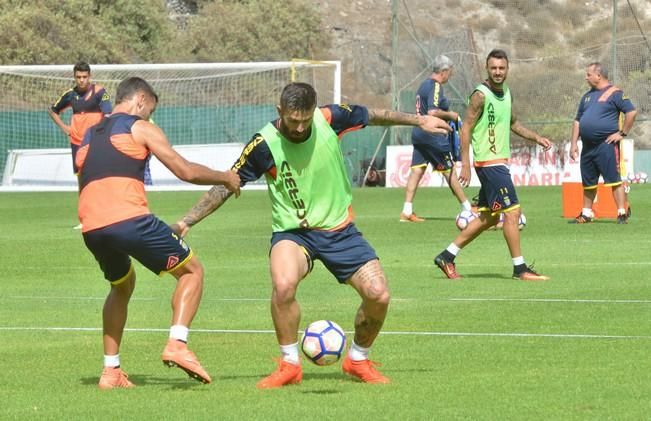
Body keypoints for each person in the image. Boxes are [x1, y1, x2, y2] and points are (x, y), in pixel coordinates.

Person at [172, 82, 450, 388]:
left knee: (378, 294)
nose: (301, 127)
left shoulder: (329, 118)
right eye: (294, 121)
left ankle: (358, 359)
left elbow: (374, 115)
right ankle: (289, 364)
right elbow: (227, 184)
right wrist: (187, 222)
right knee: (283, 285)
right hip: (294, 233)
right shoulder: (263, 144)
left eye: (306, 119)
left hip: (340, 231)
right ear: (280, 112)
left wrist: (419, 119)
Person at [76, 77, 241, 389]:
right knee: (192, 271)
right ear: (140, 99)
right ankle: (178, 344)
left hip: (91, 227)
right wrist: (225, 178)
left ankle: (110, 371)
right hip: (129, 219)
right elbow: (185, 170)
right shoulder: (140, 127)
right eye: (149, 109)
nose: (149, 116)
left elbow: (85, 177)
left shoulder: (88, 135)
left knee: (121, 285)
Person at [433, 49, 552, 281]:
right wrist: (464, 163)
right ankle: (520, 269)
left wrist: (536, 137)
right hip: (489, 163)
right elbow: (465, 127)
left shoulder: (506, 92)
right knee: (512, 212)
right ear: (487, 69)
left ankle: (447, 256)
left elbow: (513, 123)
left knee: (489, 217)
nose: (498, 72)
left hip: (498, 163)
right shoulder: (480, 95)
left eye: (502, 68)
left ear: (507, 69)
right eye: (493, 68)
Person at [400, 55, 472, 223]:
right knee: (449, 170)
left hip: (418, 132)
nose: (450, 76)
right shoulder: (435, 86)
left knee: (417, 170)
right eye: (450, 72)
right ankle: (467, 208)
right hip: (432, 134)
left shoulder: (423, 85)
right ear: (444, 71)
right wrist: (451, 115)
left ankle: (406, 210)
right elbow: (433, 112)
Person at [569, 62, 637, 224]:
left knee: (614, 179)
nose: (586, 77)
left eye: (588, 74)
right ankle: (586, 213)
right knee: (588, 182)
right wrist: (573, 144)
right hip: (588, 147)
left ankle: (621, 212)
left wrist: (622, 133)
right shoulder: (586, 96)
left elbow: (631, 112)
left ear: (598, 76)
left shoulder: (615, 93)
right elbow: (577, 121)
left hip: (606, 145)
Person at [48, 61, 113, 229]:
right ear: (74, 77)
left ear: (89, 77)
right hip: (77, 142)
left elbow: (108, 114)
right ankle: (85, 219)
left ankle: (106, 214)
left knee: (100, 178)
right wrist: (65, 129)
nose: (82, 80)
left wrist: (101, 134)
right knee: (82, 180)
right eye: (78, 77)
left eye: (84, 77)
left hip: (96, 142)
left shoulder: (100, 92)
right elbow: (53, 110)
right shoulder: (70, 95)